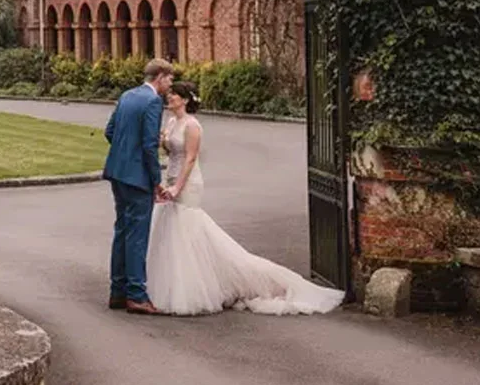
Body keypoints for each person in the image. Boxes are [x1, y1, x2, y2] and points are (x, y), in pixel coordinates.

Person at [147, 81, 345, 315]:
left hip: (187, 183)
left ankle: (201, 286)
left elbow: (190, 159)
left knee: (187, 229)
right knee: (173, 231)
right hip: (170, 176)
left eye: (173, 96)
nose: (169, 99)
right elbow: (172, 152)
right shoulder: (171, 122)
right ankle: (176, 281)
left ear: (186, 100)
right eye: (168, 95)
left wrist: (178, 187)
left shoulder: (192, 125)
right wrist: (163, 144)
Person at [102, 59, 172, 315]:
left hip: (117, 173)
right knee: (136, 235)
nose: (170, 85)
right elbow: (149, 145)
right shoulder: (153, 101)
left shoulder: (127, 95)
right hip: (137, 177)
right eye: (170, 79)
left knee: (122, 230)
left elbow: (109, 132)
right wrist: (156, 180)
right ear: (160, 77)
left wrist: (124, 153)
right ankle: (136, 295)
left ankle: (117, 291)